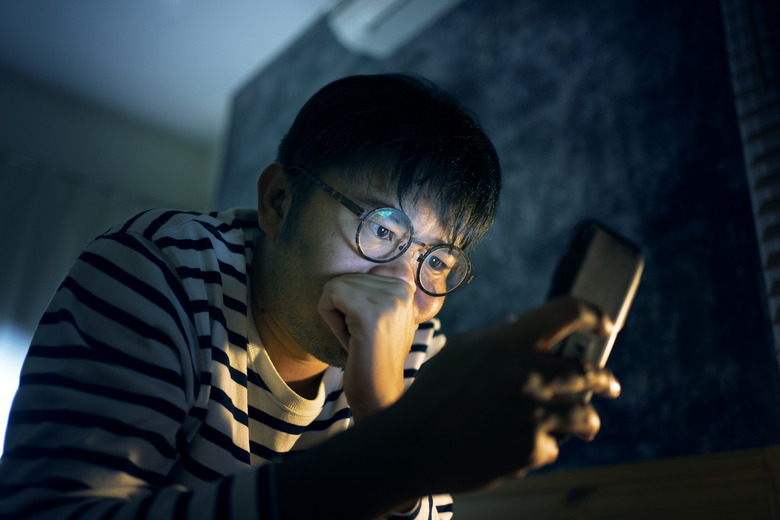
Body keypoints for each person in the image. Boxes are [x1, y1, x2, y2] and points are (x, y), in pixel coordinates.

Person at [0, 73, 620, 519]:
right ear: (279, 201)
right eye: (382, 231)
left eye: (436, 261)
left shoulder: (417, 339)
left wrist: (385, 411)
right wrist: (396, 448)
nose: (400, 291)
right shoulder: (158, 273)